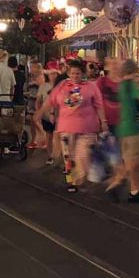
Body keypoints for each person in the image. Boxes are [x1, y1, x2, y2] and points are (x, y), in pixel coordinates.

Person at [35, 58, 106, 193]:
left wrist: (104, 122)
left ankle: (80, 176)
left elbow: (99, 105)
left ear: (83, 73)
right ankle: (71, 181)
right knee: (68, 156)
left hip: (87, 128)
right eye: (72, 73)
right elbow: (52, 100)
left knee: (84, 155)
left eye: (78, 73)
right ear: (68, 73)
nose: (75, 76)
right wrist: (41, 112)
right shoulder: (62, 85)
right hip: (67, 127)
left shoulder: (91, 87)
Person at [105, 59, 139, 203]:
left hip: (124, 127)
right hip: (134, 127)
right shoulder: (131, 85)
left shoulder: (121, 86)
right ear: (135, 71)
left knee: (134, 160)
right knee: (137, 160)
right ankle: (117, 183)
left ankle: (135, 191)